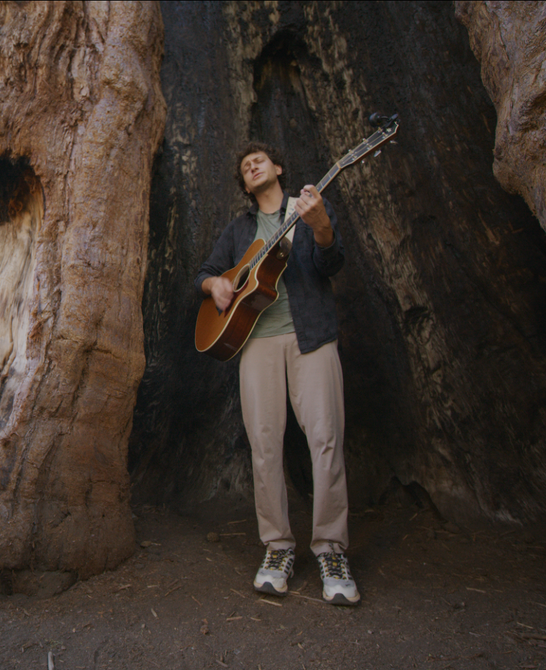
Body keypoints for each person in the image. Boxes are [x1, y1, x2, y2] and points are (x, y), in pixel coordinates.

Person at [195, 142, 358, 606]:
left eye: (259, 159)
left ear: (278, 167)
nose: (251, 165)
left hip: (311, 337)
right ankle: (277, 547)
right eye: (245, 166)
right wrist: (217, 285)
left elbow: (333, 263)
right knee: (264, 444)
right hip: (257, 342)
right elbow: (204, 275)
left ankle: (330, 549)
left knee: (325, 438)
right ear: (245, 183)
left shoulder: (306, 209)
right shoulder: (241, 229)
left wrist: (321, 226)